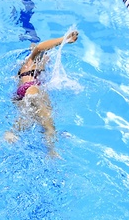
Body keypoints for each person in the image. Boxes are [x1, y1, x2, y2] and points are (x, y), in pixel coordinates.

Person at [5, 30, 79, 158]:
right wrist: (64, 39)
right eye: (46, 55)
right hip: (32, 89)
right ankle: (51, 151)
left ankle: (11, 132)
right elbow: (39, 47)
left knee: (30, 117)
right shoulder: (30, 63)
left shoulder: (33, 71)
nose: (48, 57)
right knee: (47, 120)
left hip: (24, 94)